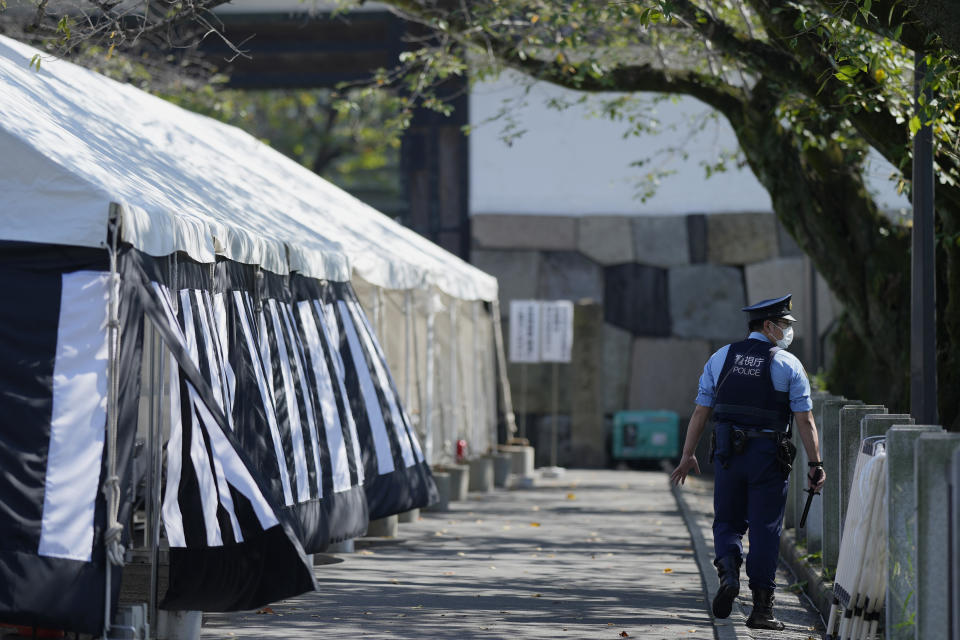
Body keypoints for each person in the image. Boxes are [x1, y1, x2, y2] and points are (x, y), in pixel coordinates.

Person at [670, 294, 826, 630]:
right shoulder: (788, 364)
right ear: (768, 326)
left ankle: (728, 573)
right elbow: (805, 421)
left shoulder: (721, 357)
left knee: (727, 522)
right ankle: (761, 611)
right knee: (765, 528)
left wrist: (687, 455)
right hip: (768, 458)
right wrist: (816, 464)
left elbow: (701, 410)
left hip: (728, 454)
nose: (786, 331)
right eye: (783, 325)